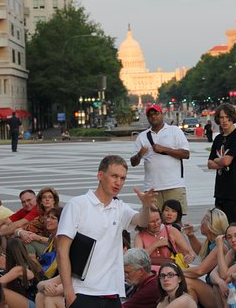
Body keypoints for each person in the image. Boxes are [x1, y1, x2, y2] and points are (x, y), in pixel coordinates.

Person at [56, 155, 156, 308]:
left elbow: (141, 221)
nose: (118, 182)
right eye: (114, 176)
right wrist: (69, 293)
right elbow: (62, 251)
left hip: (112, 293)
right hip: (82, 292)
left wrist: (146, 206)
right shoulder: (77, 205)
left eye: (122, 178)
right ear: (100, 175)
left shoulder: (120, 207)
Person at [131, 104, 191, 213]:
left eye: (156, 113)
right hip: (152, 188)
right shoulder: (142, 136)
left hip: (174, 185)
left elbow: (186, 154)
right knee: (153, 222)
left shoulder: (174, 131)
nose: (153, 117)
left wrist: (164, 149)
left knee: (175, 221)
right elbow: (133, 162)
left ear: (162, 114)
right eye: (150, 115)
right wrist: (140, 154)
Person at [207, 103, 236, 223]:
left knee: (233, 225)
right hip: (220, 189)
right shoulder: (218, 139)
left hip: (233, 189)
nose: (224, 121)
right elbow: (209, 163)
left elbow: (227, 161)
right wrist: (221, 162)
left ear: (232, 118)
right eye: (221, 117)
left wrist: (219, 161)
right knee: (219, 225)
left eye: (227, 117)